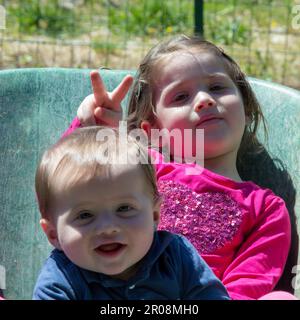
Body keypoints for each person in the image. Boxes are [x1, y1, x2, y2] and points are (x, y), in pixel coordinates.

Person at [62, 35, 297, 300]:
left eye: (218, 87)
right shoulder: (141, 166)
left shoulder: (266, 209)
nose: (205, 100)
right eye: (182, 96)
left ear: (245, 106)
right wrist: (88, 127)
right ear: (152, 131)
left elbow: (246, 285)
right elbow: (64, 188)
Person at [33, 126, 229, 300]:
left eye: (124, 208)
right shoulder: (60, 281)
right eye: (85, 215)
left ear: (154, 216)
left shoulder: (175, 255)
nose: (108, 227)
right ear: (53, 234)